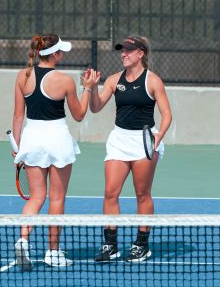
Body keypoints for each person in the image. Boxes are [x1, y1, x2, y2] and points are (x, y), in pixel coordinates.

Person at [11, 33, 96, 270]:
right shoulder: (65, 80)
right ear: (55, 54)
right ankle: (53, 252)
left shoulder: (22, 76)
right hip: (57, 139)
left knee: (37, 197)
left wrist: (17, 148)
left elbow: (18, 116)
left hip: (32, 139)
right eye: (62, 51)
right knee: (56, 198)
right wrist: (87, 88)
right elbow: (79, 115)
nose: (63, 55)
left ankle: (23, 241)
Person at [88, 36, 172, 262]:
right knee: (110, 193)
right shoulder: (115, 79)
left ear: (141, 53)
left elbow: (167, 115)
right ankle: (110, 245)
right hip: (119, 140)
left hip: (144, 140)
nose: (123, 54)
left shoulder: (153, 81)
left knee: (142, 194)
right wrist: (92, 89)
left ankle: (141, 244)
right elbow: (95, 108)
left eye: (128, 50)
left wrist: (158, 136)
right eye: (121, 50)